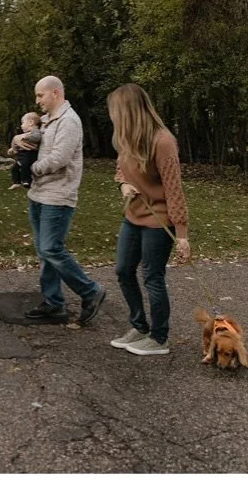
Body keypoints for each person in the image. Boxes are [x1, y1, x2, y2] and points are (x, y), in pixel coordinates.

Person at [106, 83, 190, 356]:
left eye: (116, 111)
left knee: (152, 276)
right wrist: (123, 185)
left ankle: (159, 338)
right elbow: (121, 169)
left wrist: (182, 235)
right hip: (133, 216)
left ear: (129, 111)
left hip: (158, 220)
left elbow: (174, 189)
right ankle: (139, 327)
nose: (112, 116)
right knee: (123, 270)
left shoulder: (163, 141)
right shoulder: (126, 138)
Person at [24, 76, 106, 326]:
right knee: (44, 252)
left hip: (58, 196)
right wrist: (19, 141)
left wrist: (33, 169)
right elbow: (32, 142)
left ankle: (90, 291)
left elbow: (59, 157)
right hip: (38, 194)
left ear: (55, 93)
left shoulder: (69, 121)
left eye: (41, 95)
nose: (37, 101)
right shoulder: (48, 121)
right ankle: (54, 303)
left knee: (51, 248)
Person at [6, 111, 42, 188]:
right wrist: (13, 149)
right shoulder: (27, 133)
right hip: (23, 155)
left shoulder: (35, 131)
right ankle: (16, 182)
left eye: (23, 123)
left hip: (30, 154)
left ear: (30, 122)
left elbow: (37, 138)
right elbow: (19, 143)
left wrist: (25, 137)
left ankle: (26, 181)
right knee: (14, 168)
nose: (21, 125)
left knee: (25, 166)